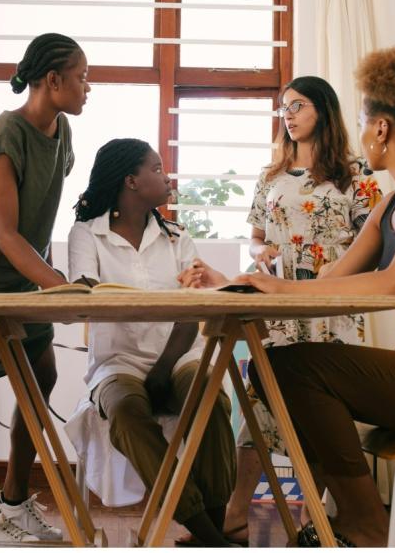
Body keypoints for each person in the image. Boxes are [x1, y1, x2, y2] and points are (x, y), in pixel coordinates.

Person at [181, 46, 395, 547]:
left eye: (365, 123)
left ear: (382, 129)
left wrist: (276, 285)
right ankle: (336, 521)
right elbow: (325, 287)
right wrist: (236, 282)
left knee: (297, 369)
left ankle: (360, 522)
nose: (362, 134)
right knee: (282, 368)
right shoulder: (392, 204)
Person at [199, 76, 382, 546]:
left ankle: (306, 519)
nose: (288, 114)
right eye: (283, 107)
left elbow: (377, 240)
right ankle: (237, 523)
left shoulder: (355, 171)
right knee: (260, 408)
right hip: (277, 304)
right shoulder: (271, 175)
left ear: (322, 109)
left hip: (333, 306)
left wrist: (338, 272)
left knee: (322, 414)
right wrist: (259, 252)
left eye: (297, 105)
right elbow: (257, 235)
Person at [0, 32, 90, 544]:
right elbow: (3, 231)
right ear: (53, 80)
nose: (87, 88)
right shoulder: (6, 133)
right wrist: (61, 287)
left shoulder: (63, 132)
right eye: (81, 77)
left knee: (40, 376)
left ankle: (14, 501)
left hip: (26, 275)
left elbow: (43, 213)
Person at [67, 138, 236, 547]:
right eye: (157, 169)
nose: (167, 176)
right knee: (127, 412)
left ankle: (205, 535)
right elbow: (88, 299)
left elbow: (188, 316)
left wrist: (162, 369)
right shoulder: (87, 235)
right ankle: (210, 535)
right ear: (131, 181)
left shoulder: (178, 237)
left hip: (177, 358)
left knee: (212, 399)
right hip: (117, 363)